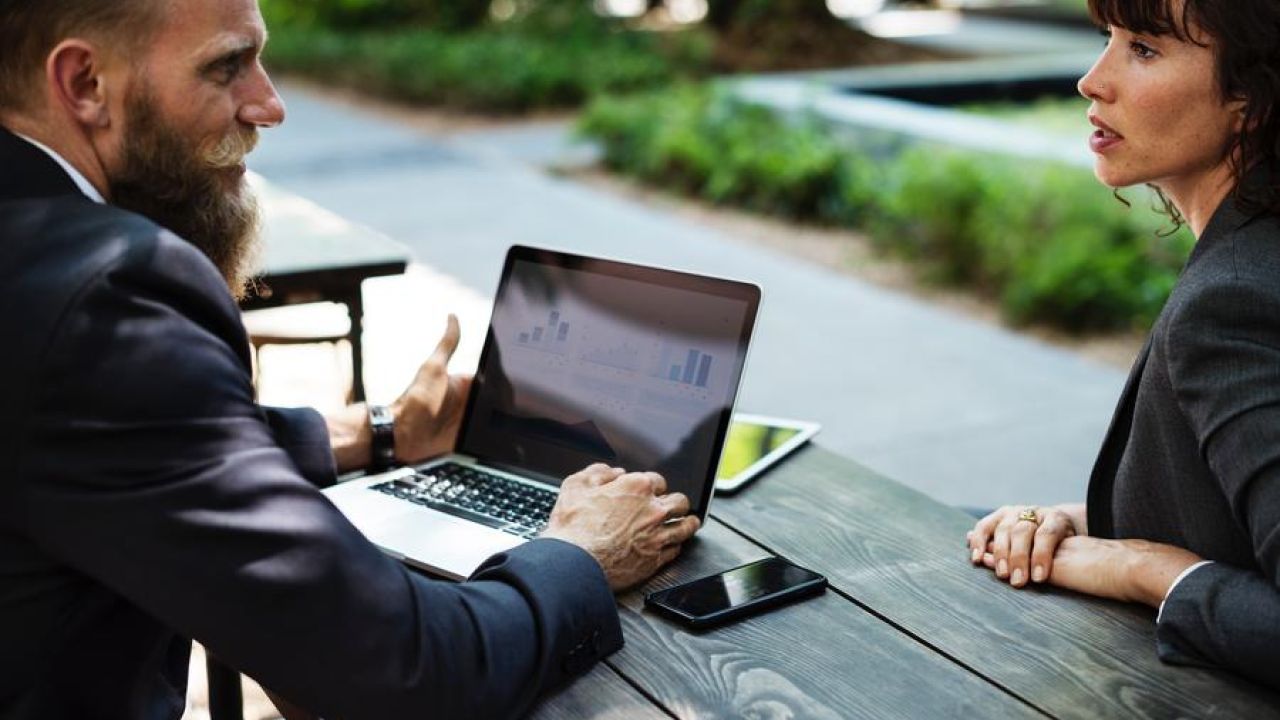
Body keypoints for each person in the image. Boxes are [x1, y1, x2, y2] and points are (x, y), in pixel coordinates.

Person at [0, 0, 701, 718]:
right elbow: (406, 670)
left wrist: (379, 432)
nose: (269, 105)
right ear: (85, 83)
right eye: (227, 66)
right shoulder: (109, 294)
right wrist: (580, 552)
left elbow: (115, 444)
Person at [965, 0, 1280, 691]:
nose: (1092, 81)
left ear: (1251, 97)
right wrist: (1074, 523)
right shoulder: (1251, 256)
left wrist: (1143, 571)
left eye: (1144, 49)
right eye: (1108, 38)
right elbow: (1231, 518)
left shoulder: (1232, 303)